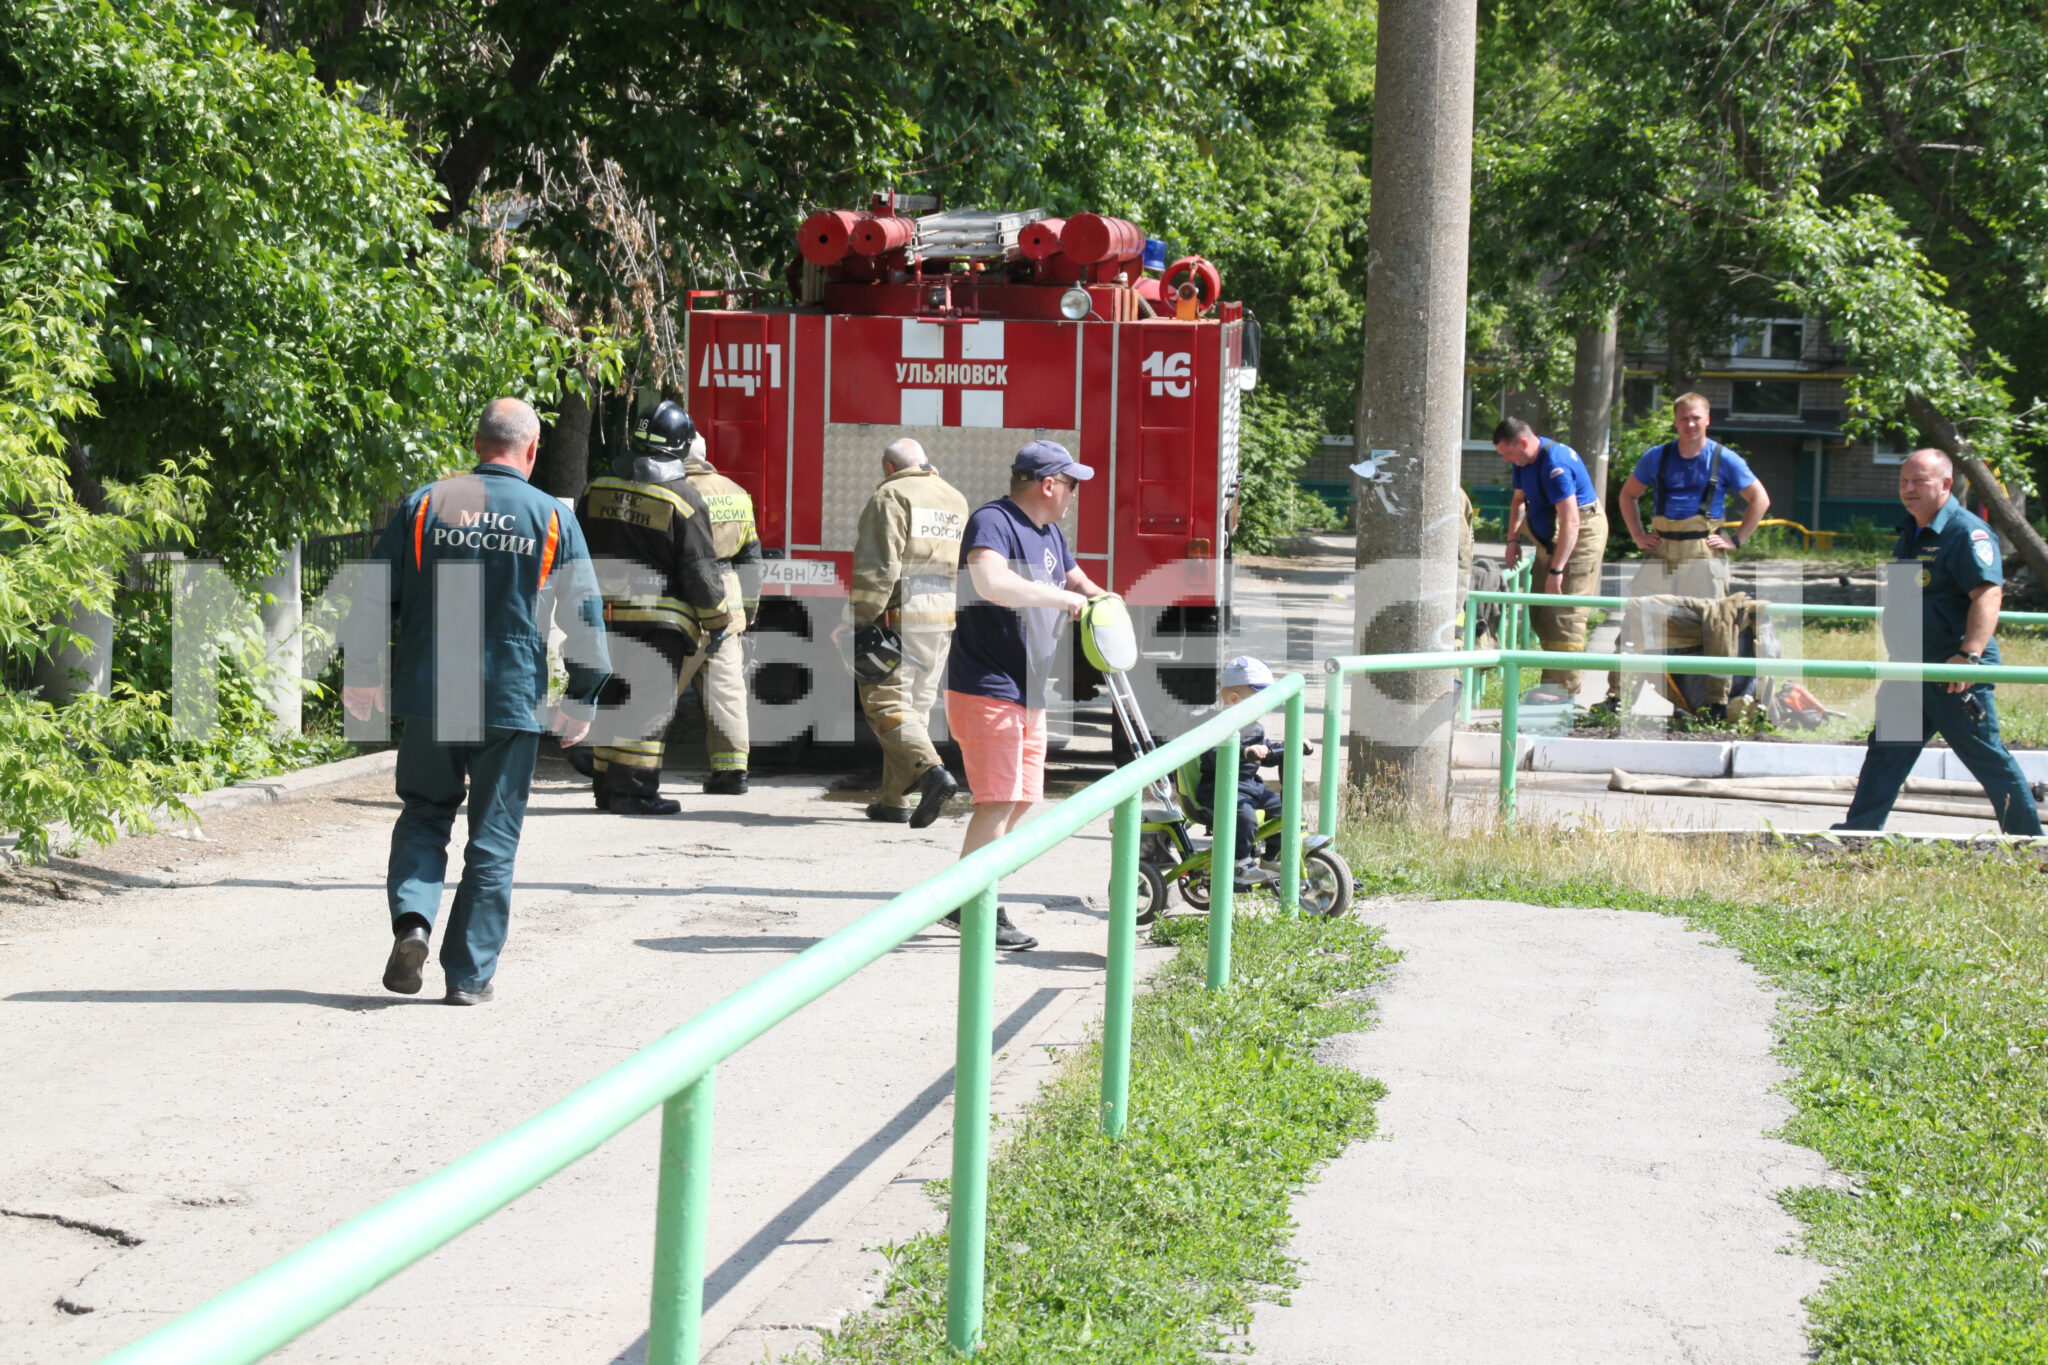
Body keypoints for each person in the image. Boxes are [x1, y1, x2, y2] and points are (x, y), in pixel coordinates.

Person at [344, 398, 610, 1005]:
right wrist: (584, 694)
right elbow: (586, 614)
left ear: (475, 442)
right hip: (509, 695)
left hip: (431, 692)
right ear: (533, 450)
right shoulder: (550, 518)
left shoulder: (424, 505)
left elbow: (372, 594)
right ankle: (466, 978)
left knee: (424, 813)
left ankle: (413, 922)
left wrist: (362, 673)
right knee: (492, 839)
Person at [944, 440, 1109, 951]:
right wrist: (1063, 598)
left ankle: (962, 896)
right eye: (1072, 485)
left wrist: (1105, 601)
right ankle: (977, 908)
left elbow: (1082, 583)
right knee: (997, 802)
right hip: (988, 685)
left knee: (1022, 800)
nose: (1075, 495)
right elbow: (991, 581)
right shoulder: (992, 522)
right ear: (1048, 484)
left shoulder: (1051, 533)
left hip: (1029, 689)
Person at [1836, 449, 2043, 835]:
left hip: (1952, 669)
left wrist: (1969, 656)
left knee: (1986, 758)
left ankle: (2030, 842)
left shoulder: (1966, 532)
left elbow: (1988, 594)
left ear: (1946, 484)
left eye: (1920, 481)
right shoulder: (1911, 530)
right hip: (1909, 667)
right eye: (1904, 482)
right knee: (1886, 754)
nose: (1909, 489)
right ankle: (1858, 833)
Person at [576, 402, 733, 815]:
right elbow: (699, 568)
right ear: (680, 448)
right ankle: (635, 793)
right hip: (658, 623)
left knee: (610, 697)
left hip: (604, 618)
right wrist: (718, 621)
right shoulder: (683, 497)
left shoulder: (598, 486)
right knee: (647, 706)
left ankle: (607, 789)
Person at [850, 438, 970, 826]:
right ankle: (893, 802)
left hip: (899, 616)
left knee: (885, 703)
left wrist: (859, 618)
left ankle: (932, 772)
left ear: (888, 467)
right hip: (942, 616)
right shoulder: (955, 498)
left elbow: (878, 569)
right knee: (913, 709)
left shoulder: (891, 496)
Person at [1495, 417, 1607, 700]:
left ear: (1523, 442)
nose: (1507, 460)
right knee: (1542, 612)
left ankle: (1561, 688)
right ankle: (1562, 677)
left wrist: (1557, 571)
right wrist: (1512, 540)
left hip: (1579, 534)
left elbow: (1571, 521)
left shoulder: (1555, 464)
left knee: (1565, 612)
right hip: (1549, 538)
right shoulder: (1523, 462)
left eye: (1508, 453)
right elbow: (1519, 500)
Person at [1617, 392, 1770, 598]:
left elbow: (1760, 499)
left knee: (1703, 621)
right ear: (1676, 422)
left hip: (1703, 553)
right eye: (1684, 418)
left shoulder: (1724, 458)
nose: (1690, 424)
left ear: (1707, 420)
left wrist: (1737, 539)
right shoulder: (1656, 456)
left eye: (1696, 418)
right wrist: (1638, 536)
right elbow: (1628, 495)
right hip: (1661, 550)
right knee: (1646, 617)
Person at [681, 441, 764, 795]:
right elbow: (751, 558)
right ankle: (732, 772)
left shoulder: (673, 491)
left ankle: (627, 766)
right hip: (728, 599)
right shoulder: (737, 492)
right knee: (727, 690)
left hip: (684, 597)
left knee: (656, 685)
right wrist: (749, 609)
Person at [1193, 656, 1286, 889]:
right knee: (1245, 817)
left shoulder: (1254, 726)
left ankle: (1271, 858)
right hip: (1219, 789)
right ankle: (1239, 863)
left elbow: (1266, 755)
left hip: (1249, 787)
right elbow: (1214, 754)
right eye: (1261, 701)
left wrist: (1290, 745)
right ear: (1235, 699)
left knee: (1284, 808)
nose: (1267, 707)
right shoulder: (1217, 724)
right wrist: (1245, 752)